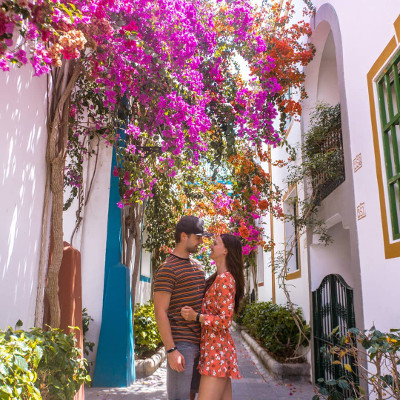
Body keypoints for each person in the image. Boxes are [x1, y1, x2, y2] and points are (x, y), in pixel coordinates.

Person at [153, 216, 212, 400]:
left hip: (202, 345)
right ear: (184, 236)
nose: (201, 242)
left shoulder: (199, 268)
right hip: (181, 347)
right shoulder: (167, 269)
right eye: (198, 237)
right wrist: (171, 350)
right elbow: (160, 311)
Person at [181, 233, 245, 400]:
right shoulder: (218, 279)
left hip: (217, 353)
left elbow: (225, 321)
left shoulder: (225, 280)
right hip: (214, 351)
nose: (211, 245)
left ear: (225, 251)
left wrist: (196, 317)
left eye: (215, 243)